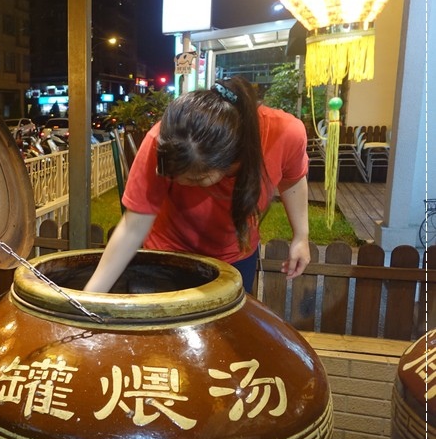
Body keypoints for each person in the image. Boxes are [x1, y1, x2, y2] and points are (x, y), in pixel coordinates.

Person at [84, 76, 310, 295]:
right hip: (168, 256)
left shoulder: (285, 134)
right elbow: (132, 227)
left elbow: (293, 180)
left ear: (229, 160)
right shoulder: (162, 141)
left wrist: (301, 236)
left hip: (236, 258)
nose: (181, 184)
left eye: (195, 180)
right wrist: (89, 299)